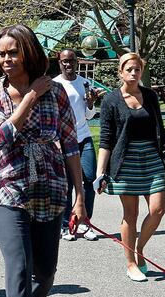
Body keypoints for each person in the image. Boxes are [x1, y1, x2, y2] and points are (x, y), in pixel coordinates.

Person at [0, 25, 86, 297]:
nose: (6, 59)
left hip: (48, 184)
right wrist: (30, 97)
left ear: (28, 52)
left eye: (13, 52)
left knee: (46, 272)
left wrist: (80, 196)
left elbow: (70, 145)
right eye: (1, 53)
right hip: (5, 183)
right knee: (19, 267)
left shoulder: (58, 92)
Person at [96, 52, 165, 282]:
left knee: (157, 210)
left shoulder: (150, 96)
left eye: (137, 69)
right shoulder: (111, 100)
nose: (133, 73)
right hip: (125, 161)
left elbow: (160, 127)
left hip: (151, 157)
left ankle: (138, 249)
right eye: (128, 69)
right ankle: (131, 263)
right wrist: (100, 173)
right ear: (120, 72)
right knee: (131, 214)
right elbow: (106, 139)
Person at [53, 49, 102, 241]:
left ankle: (84, 222)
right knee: (67, 184)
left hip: (83, 138)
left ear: (77, 62)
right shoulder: (55, 84)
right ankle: (66, 225)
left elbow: (89, 116)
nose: (68, 64)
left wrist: (90, 104)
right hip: (64, 140)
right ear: (59, 63)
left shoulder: (84, 83)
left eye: (71, 61)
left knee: (89, 180)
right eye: (64, 61)